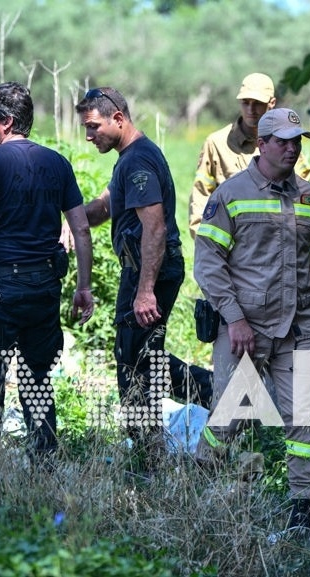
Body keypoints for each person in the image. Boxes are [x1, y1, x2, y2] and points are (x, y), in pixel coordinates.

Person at [193, 108, 310, 533]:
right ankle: (199, 482)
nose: (292, 147)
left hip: (298, 331)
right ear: (261, 144)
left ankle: (305, 516)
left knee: (304, 422)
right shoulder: (230, 194)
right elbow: (208, 265)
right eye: (282, 140)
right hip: (245, 330)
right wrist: (234, 318)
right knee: (229, 415)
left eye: (297, 140)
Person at [0, 82, 94, 474]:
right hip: (44, 289)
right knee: (37, 379)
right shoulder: (57, 163)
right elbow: (79, 229)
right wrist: (83, 287)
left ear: (5, 121)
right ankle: (44, 462)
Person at [74, 86, 212, 465]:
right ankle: (157, 439)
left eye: (94, 126)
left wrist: (145, 291)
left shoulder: (137, 161)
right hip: (145, 272)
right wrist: (71, 222)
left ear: (118, 118)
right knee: (140, 357)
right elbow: (104, 208)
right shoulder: (130, 158)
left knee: (135, 361)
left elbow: (154, 228)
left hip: (149, 273)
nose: (89, 136)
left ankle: (150, 450)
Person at [188, 72, 310, 238]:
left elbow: (302, 194)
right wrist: (206, 244)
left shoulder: (285, 142)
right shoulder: (217, 143)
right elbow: (200, 196)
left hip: (276, 243)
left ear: (272, 103)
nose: (250, 110)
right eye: (245, 103)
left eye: (257, 103)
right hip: (230, 244)